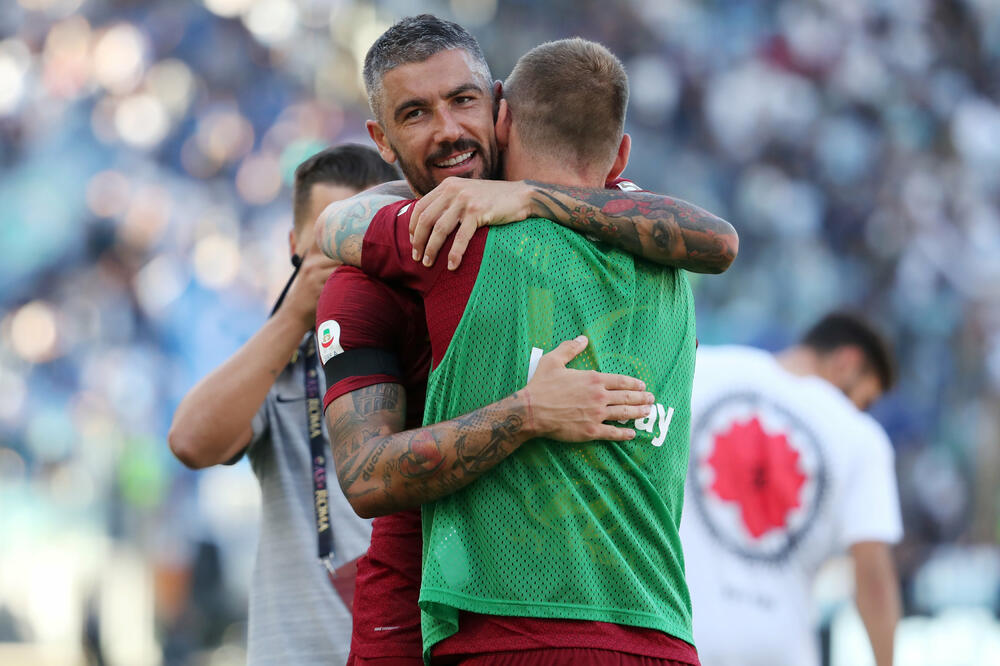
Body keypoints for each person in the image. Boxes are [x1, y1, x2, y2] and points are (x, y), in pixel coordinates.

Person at [319, 29, 728, 665]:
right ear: (382, 140)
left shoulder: (627, 233)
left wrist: (532, 196)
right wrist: (530, 412)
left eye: (463, 100)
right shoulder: (380, 269)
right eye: (415, 113)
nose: (449, 130)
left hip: (521, 630)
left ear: (501, 108)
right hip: (414, 624)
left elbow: (721, 241)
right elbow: (366, 478)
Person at [167, 145, 400, 666]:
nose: (349, 259)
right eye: (330, 241)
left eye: (361, 238)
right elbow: (189, 441)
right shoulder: (276, 360)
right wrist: (296, 313)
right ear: (295, 245)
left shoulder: (423, 342)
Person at [680, 312, 903, 666]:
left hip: (677, 636)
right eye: (865, 400)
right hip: (781, 651)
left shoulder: (697, 367)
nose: (860, 410)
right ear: (848, 362)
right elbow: (873, 575)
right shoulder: (862, 438)